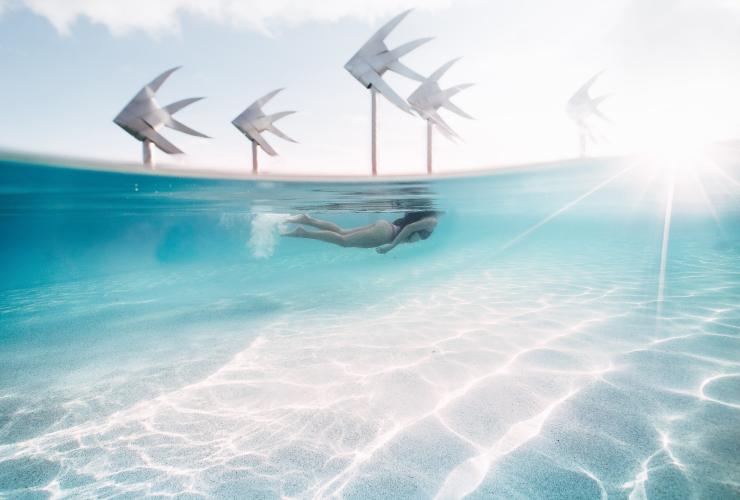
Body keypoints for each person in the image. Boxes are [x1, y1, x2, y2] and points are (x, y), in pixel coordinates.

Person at [282, 211, 438, 254]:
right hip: (385, 235)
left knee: (341, 232)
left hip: (385, 227)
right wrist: (391, 246)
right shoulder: (432, 220)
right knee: (343, 241)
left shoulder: (424, 215)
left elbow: (408, 226)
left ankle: (307, 220)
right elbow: (409, 229)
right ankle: (304, 232)